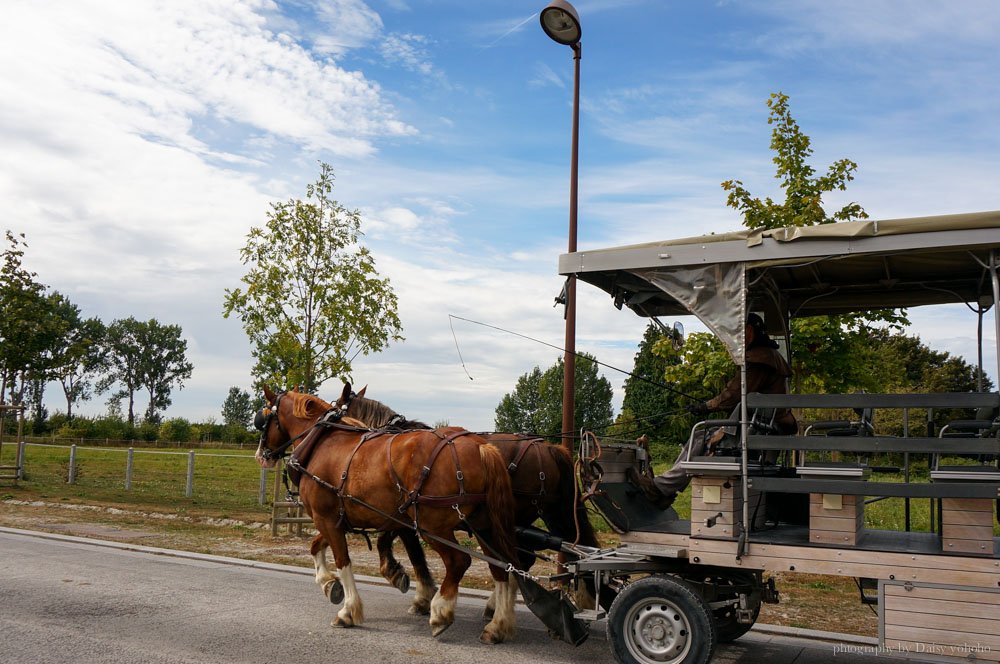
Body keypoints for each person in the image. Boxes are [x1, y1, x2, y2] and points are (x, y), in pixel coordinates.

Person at [629, 313, 796, 509]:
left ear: (749, 331)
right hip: (763, 428)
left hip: (756, 431)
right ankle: (664, 489)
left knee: (699, 437)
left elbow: (733, 395)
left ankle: (660, 489)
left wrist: (705, 407)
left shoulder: (760, 359)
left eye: (740, 332)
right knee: (700, 434)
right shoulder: (771, 357)